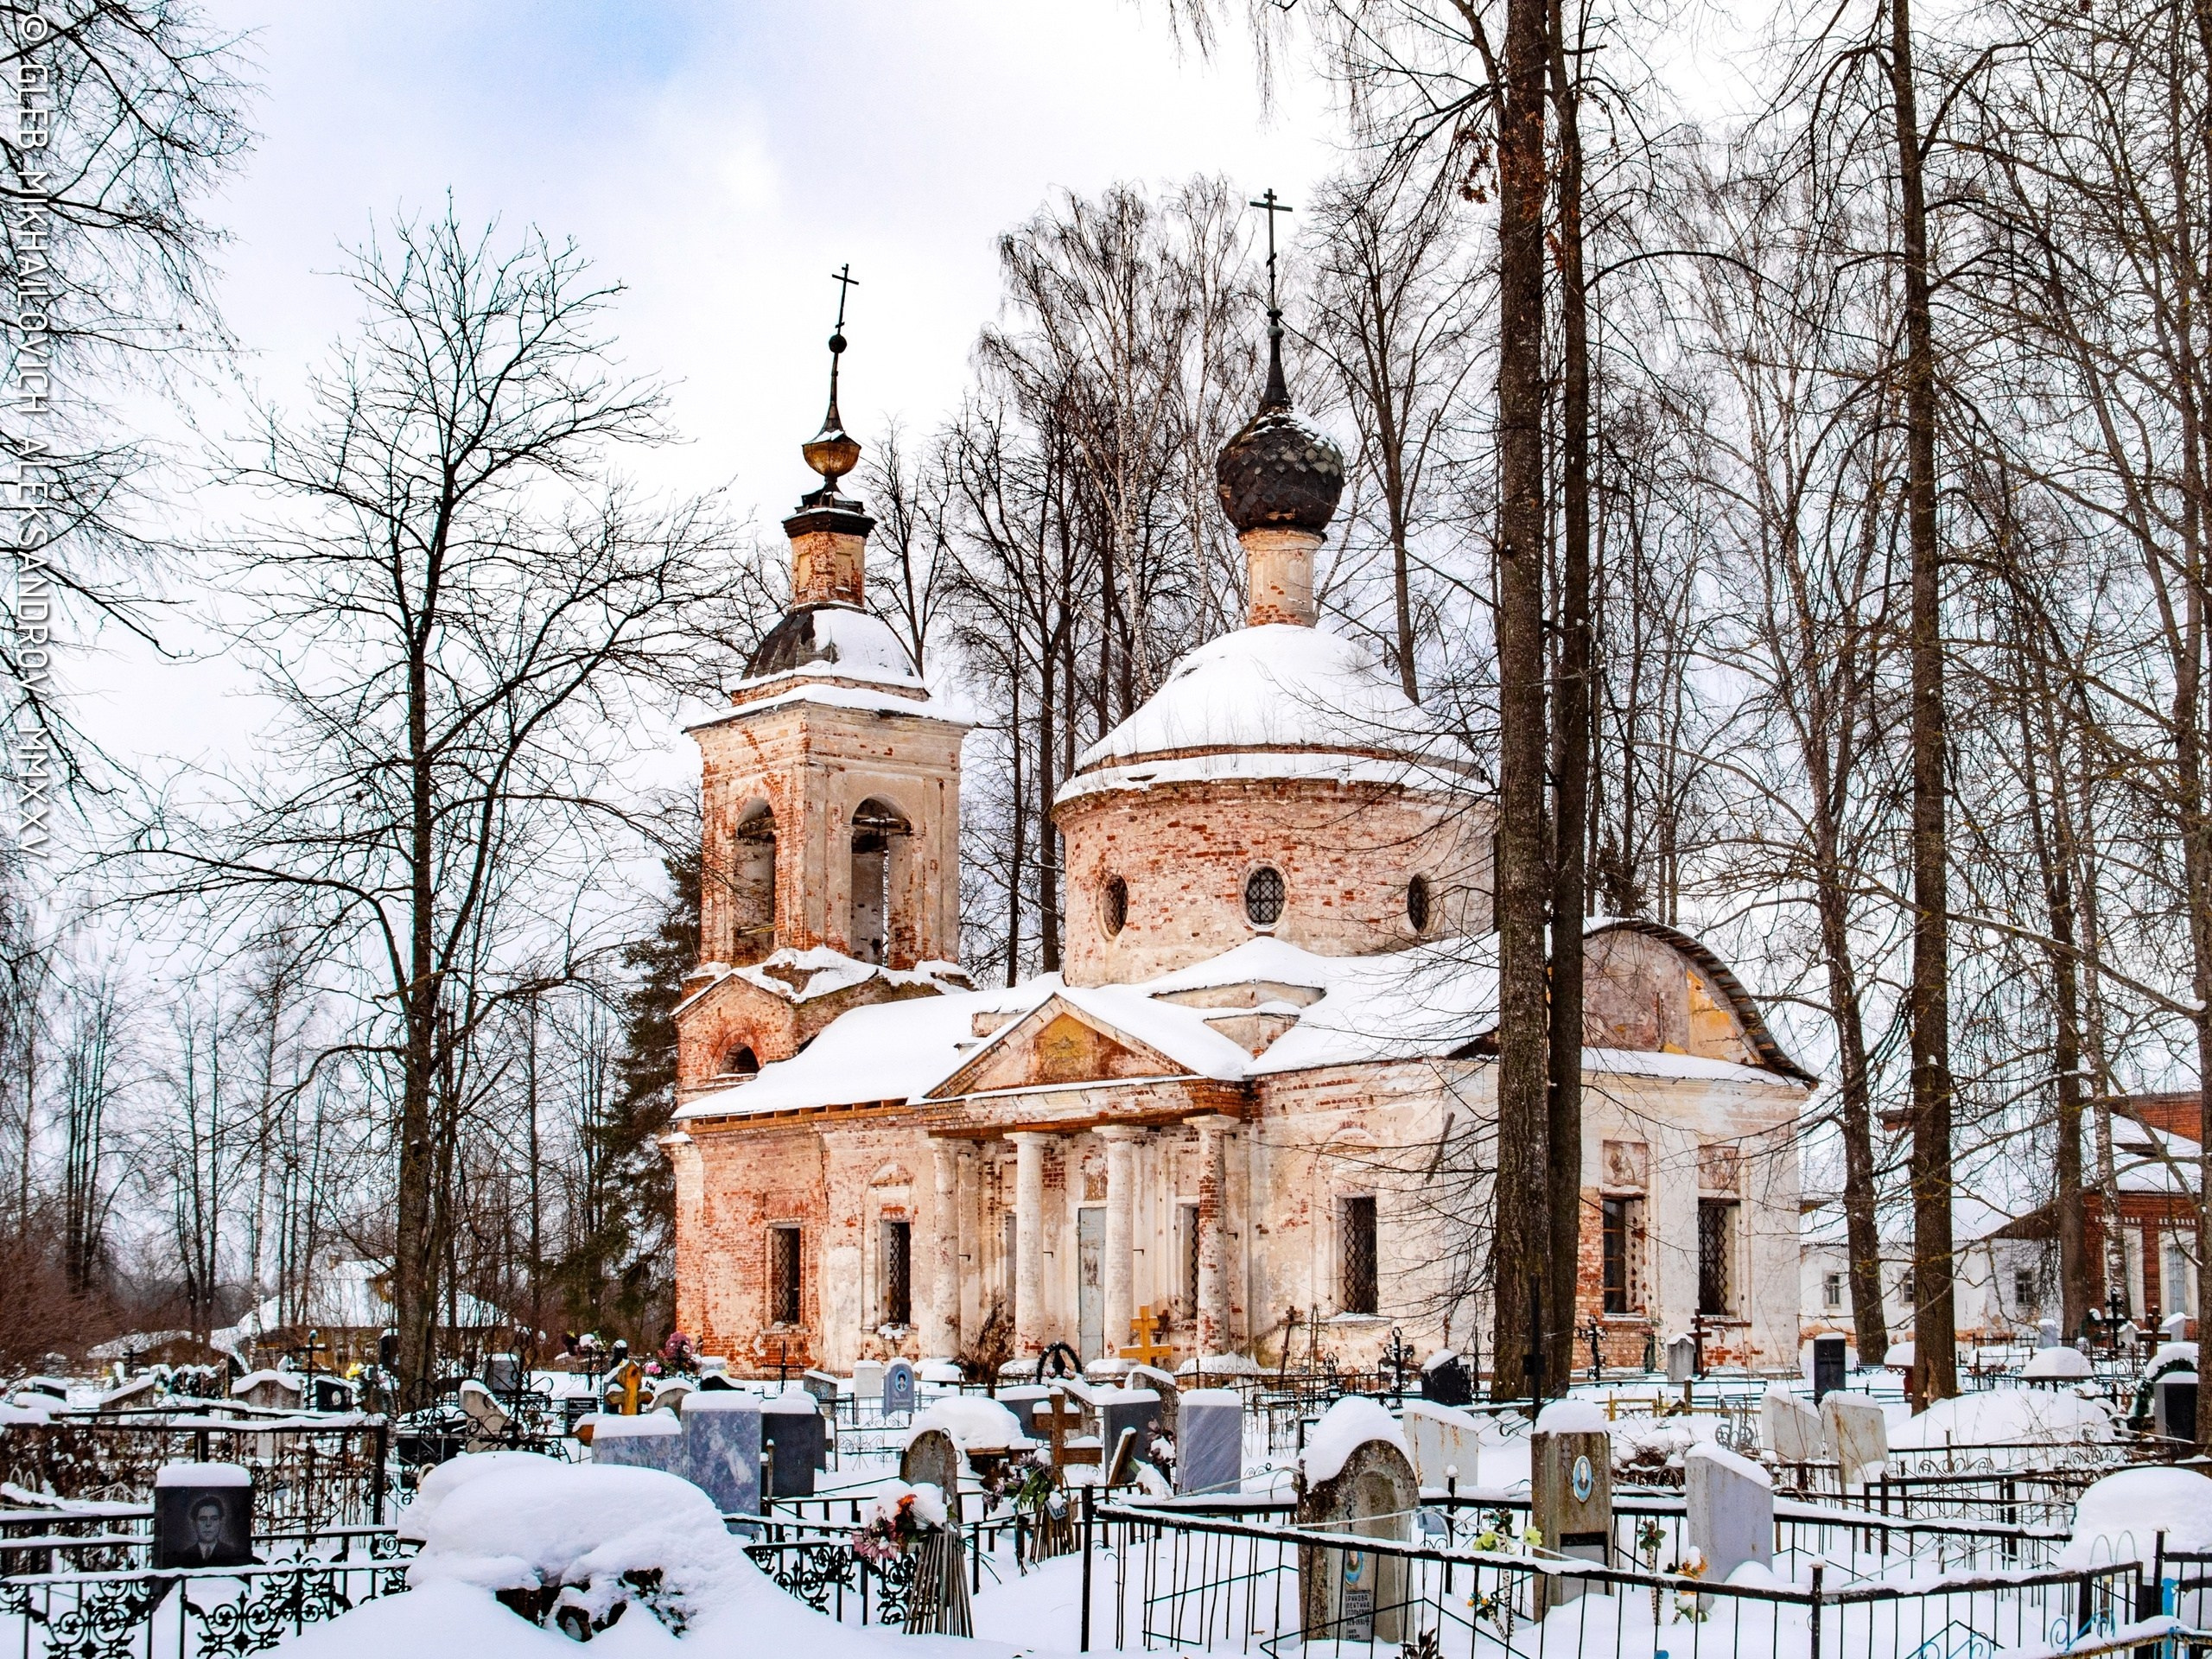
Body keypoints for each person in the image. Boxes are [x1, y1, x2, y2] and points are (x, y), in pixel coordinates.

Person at [187, 1495, 230, 1563]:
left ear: (221, 1522)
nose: (208, 1524)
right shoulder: (184, 1556)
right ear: (194, 1524)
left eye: (214, 1519)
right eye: (203, 1519)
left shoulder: (233, 1554)